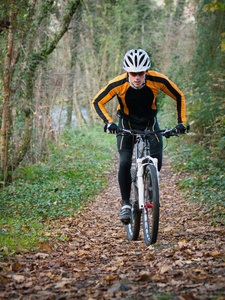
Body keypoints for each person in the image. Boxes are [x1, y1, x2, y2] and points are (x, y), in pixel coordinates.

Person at [92, 49, 186, 225]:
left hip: (150, 124)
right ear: (127, 72)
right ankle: (126, 203)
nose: (137, 77)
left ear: (146, 72)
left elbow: (178, 96)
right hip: (126, 125)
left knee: (157, 159)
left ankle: (150, 185)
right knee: (125, 161)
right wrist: (109, 122)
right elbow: (97, 101)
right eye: (133, 73)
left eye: (140, 73)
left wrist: (181, 122)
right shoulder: (118, 83)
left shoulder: (158, 80)